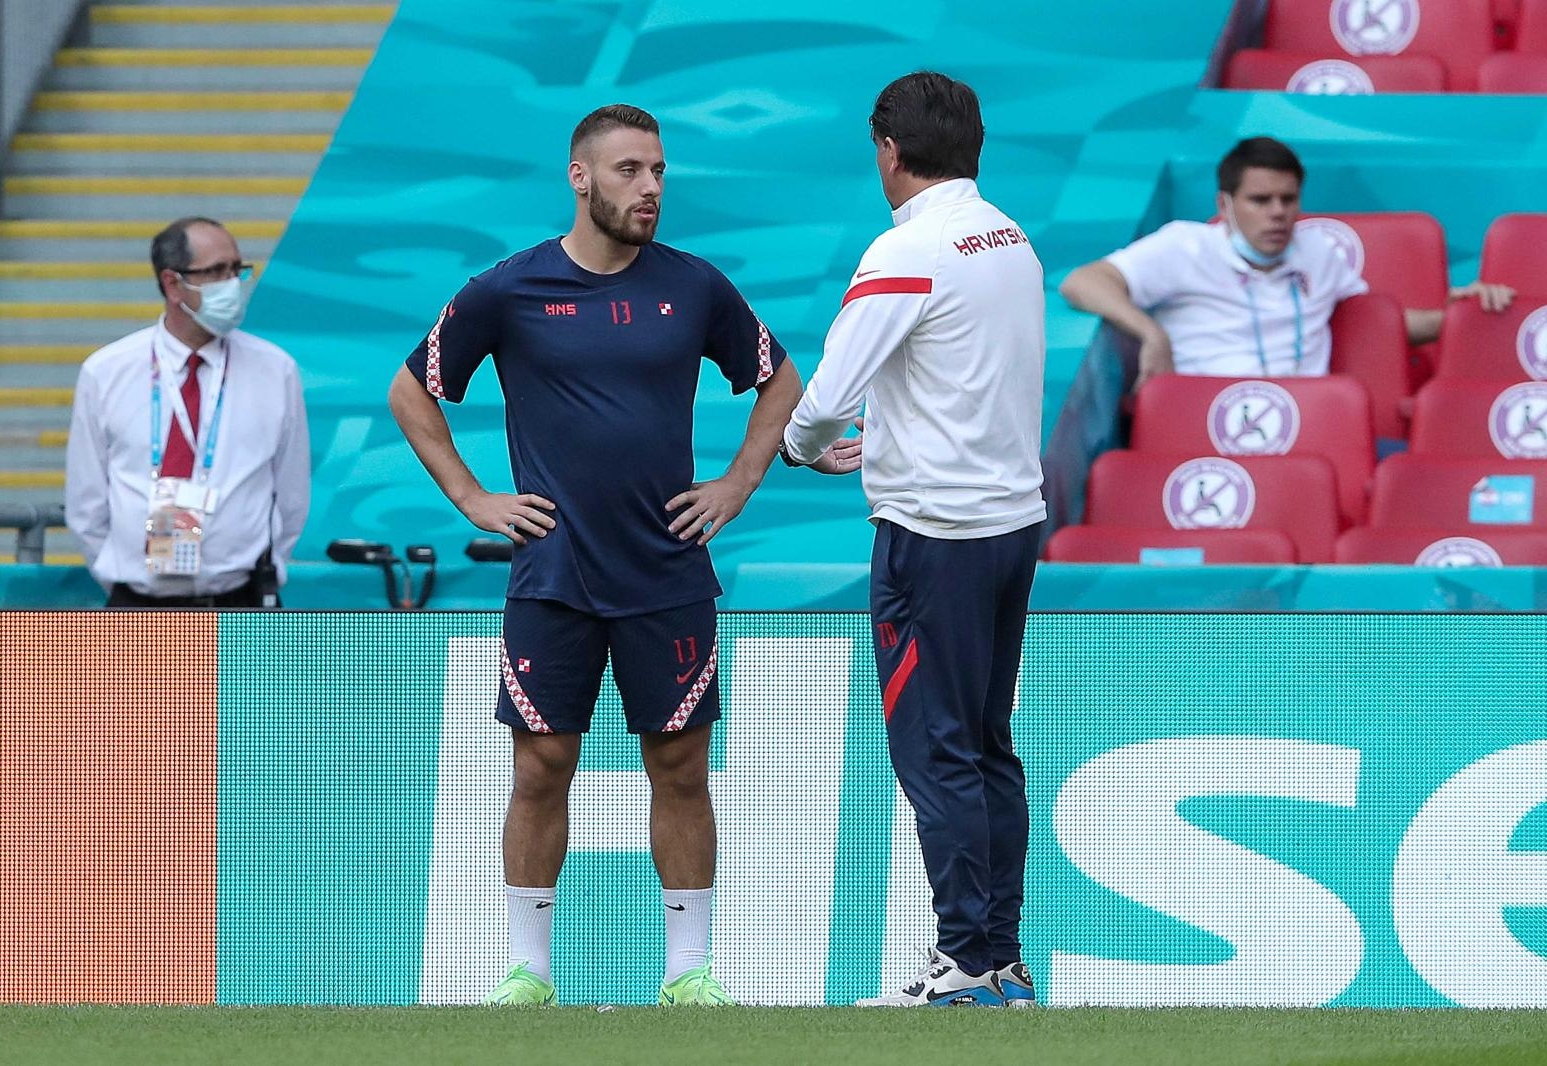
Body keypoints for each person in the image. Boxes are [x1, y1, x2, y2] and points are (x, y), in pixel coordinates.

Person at [389, 103, 845, 1007]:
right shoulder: (506, 290)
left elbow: (782, 382)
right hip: (551, 576)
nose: (650, 188)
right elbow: (412, 391)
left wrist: (737, 483)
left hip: (668, 575)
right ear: (581, 177)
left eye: (660, 172)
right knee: (539, 766)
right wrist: (474, 498)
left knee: (680, 767)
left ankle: (689, 975)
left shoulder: (696, 287)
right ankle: (529, 973)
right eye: (632, 170)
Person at [781, 72, 1045, 1008]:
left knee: (936, 749)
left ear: (888, 149)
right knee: (983, 743)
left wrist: (802, 446)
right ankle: (1002, 957)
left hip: (936, 533)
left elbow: (827, 395)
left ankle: (966, 959)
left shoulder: (908, 249)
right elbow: (960, 380)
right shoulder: (1009, 237)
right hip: (1012, 519)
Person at [1059, 136, 1516, 389]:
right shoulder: (1185, 246)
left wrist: (1463, 308)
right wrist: (1150, 333)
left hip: (1307, 418)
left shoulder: (1320, 254)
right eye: (1260, 200)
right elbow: (1083, 282)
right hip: (1203, 411)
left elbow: (1381, 323)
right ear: (1226, 202)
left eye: (1288, 199)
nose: (1277, 212)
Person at [65, 216, 310, 608]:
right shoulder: (106, 371)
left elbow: (291, 495)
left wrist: (264, 571)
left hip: (240, 601)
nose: (232, 284)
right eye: (215, 272)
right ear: (172, 284)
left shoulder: (275, 370)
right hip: (139, 606)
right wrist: (121, 576)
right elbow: (86, 502)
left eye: (236, 269)